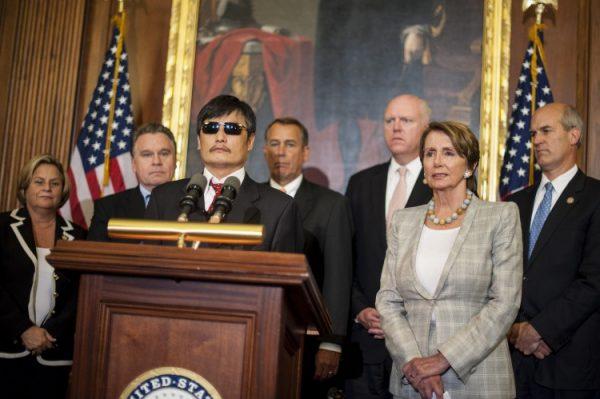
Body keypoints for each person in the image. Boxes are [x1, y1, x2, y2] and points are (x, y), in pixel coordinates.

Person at [376, 121, 522, 398]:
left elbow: (505, 303)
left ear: (470, 166)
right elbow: (388, 301)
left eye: (449, 153)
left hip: (479, 379)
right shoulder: (402, 221)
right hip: (413, 381)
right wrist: (414, 366)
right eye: (430, 153)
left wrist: (442, 360)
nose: (437, 162)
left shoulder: (500, 217)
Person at [507, 103, 600, 398]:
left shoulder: (595, 198)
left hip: (569, 362)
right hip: (513, 362)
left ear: (574, 135)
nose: (536, 140)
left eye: (546, 131)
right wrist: (515, 330)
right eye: (534, 133)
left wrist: (541, 330)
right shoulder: (515, 203)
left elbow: (594, 281)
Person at [345, 94, 432, 398]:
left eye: (406, 120)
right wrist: (360, 309)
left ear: (425, 127)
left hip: (420, 342)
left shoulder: (441, 184)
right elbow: (347, 257)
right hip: (365, 342)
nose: (396, 127)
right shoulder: (360, 183)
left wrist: (400, 314)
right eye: (389, 120)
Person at [263, 117, 353, 397]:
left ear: (305, 153)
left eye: (290, 144)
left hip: (308, 336)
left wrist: (332, 342)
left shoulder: (331, 204)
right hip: (258, 326)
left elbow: (339, 276)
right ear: (265, 150)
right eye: (274, 144)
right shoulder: (249, 199)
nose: (281, 152)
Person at [146, 94, 303, 252]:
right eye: (210, 128)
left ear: (250, 141)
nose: (220, 137)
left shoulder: (279, 208)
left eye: (232, 129)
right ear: (199, 141)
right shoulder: (163, 198)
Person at [0, 155, 86, 398]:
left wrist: (49, 335)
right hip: (5, 349)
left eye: (54, 183)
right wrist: (23, 329)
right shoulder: (3, 228)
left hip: (55, 354)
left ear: (63, 191)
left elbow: (81, 294)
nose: (47, 188)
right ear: (25, 187)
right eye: (39, 182)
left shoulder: (78, 235)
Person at [88, 123, 177, 241]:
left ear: (175, 161)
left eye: (164, 153)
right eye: (147, 155)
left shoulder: (196, 204)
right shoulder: (108, 209)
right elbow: (95, 256)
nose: (156, 161)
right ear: (134, 164)